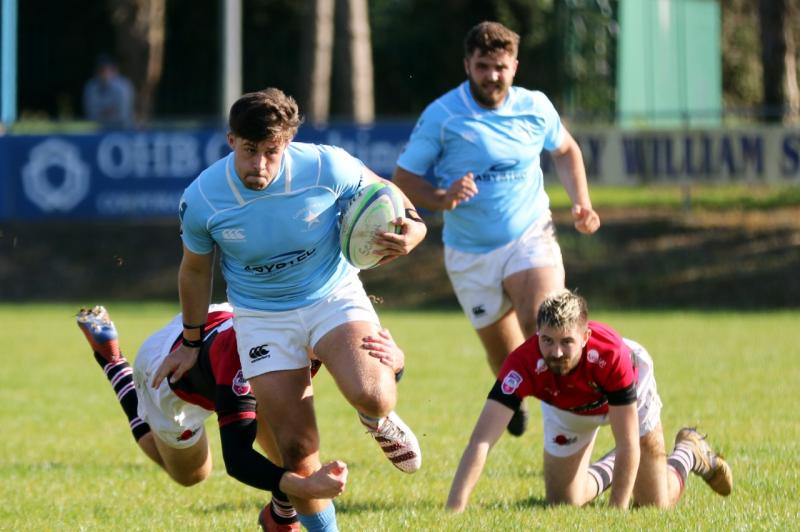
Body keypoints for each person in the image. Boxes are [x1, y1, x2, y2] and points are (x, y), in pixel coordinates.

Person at [151, 88, 427, 532]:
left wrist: (415, 225)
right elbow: (195, 272)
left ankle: (377, 412)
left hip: (332, 295)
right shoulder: (203, 197)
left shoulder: (325, 165)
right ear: (230, 141)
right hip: (262, 319)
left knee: (373, 393)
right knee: (297, 452)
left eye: (271, 152)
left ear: (289, 143)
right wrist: (190, 342)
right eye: (249, 150)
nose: (259, 165)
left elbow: (383, 187)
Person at [393, 21, 601, 437]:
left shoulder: (535, 106)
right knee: (506, 356)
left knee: (542, 322)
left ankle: (567, 428)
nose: (492, 76)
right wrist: (442, 197)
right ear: (467, 64)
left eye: (501, 67)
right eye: (483, 66)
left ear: (515, 66)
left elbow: (566, 149)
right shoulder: (443, 116)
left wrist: (582, 202)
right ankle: (514, 394)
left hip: (529, 234)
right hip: (470, 252)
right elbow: (404, 178)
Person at [78, 304, 406, 531]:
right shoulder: (249, 362)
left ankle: (280, 517)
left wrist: (396, 365)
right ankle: (114, 362)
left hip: (221, 326)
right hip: (172, 376)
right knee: (192, 474)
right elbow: (237, 459)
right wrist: (305, 486)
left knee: (294, 449)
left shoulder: (329, 324)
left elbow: (367, 379)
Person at [446, 289, 733, 511]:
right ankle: (618, 465)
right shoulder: (522, 363)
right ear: (537, 335)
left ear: (585, 337)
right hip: (568, 408)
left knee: (655, 503)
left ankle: (688, 451)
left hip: (626, 398)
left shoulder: (612, 356)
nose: (556, 352)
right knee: (564, 503)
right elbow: (481, 441)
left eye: (566, 342)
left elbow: (627, 442)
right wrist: (454, 512)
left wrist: (615, 517)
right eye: (547, 340)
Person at [83, 54, 135, 128]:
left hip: (122, 129)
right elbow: (92, 114)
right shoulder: (91, 87)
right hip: (97, 129)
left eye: (106, 69)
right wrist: (108, 111)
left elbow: (123, 114)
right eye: (100, 70)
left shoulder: (123, 86)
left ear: (114, 70)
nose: (103, 73)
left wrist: (104, 112)